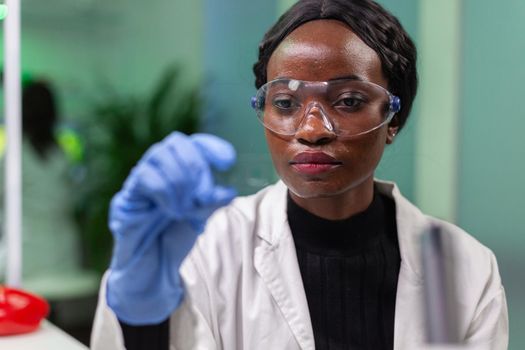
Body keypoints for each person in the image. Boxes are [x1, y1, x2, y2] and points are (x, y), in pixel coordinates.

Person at [91, 1, 508, 349]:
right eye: (287, 103)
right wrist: (139, 314)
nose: (311, 130)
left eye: (347, 100)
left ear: (393, 118)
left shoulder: (460, 267)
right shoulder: (208, 247)